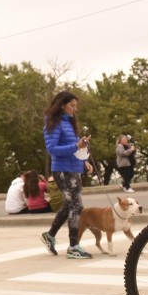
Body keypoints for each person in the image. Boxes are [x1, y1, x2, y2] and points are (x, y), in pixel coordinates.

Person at [41, 91, 94, 259]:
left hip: (74, 168)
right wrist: (76, 146)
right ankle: (73, 246)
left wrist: (84, 160)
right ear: (62, 105)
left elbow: (75, 147)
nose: (75, 109)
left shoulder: (69, 123)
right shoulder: (53, 122)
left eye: (76, 106)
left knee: (70, 205)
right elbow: (52, 149)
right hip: (62, 170)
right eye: (72, 105)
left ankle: (50, 236)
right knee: (76, 206)